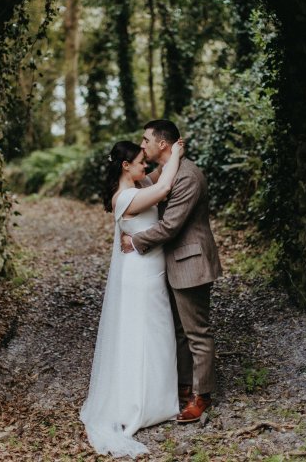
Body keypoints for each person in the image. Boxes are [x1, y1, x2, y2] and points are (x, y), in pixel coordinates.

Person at [80, 138, 184, 458]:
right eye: (141, 162)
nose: (146, 166)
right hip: (139, 276)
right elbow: (164, 188)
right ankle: (141, 405)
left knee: (156, 335)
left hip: (149, 270)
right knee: (143, 336)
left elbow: (157, 182)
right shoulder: (125, 197)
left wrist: (165, 158)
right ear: (126, 166)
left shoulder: (136, 187)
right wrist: (176, 153)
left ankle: (158, 400)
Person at [121, 119, 222, 423]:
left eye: (145, 140)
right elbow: (143, 186)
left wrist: (135, 241)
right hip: (170, 262)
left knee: (196, 332)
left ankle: (202, 396)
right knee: (178, 331)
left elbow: (171, 226)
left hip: (190, 260)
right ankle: (183, 386)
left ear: (161, 144)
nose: (142, 145)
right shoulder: (168, 170)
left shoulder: (188, 176)